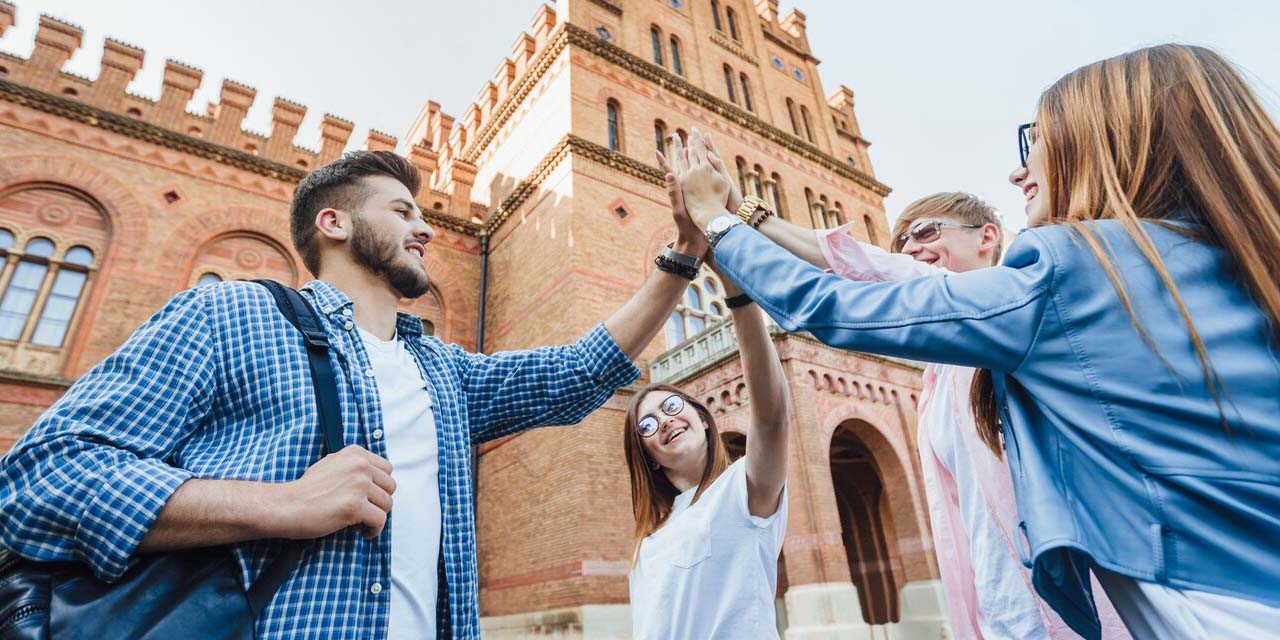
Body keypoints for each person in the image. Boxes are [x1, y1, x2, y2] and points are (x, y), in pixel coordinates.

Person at [674, 43, 1280, 640]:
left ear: (1110, 143)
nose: (1019, 171)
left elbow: (833, 303)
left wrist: (719, 220)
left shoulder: (1071, 267)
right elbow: (883, 270)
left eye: (1035, 142)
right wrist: (752, 214)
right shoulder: (1230, 262)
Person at [0, 150, 709, 639]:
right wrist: (279, 505)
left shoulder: (445, 372)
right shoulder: (230, 314)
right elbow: (41, 480)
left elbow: (579, 370)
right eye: (401, 211)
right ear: (333, 224)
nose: (425, 227)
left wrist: (682, 253)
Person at [622, 142, 790, 640]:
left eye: (672, 406)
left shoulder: (743, 491)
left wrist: (736, 290)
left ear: (702, 416)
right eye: (647, 425)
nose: (665, 419)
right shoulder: (649, 540)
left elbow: (771, 418)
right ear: (648, 455)